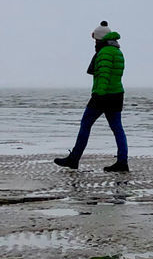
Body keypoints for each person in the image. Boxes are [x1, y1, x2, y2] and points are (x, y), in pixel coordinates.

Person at [55, 23, 129, 173]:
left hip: (103, 96)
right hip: (117, 95)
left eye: (95, 40)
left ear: (99, 39)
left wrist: (98, 95)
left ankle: (74, 158)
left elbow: (104, 75)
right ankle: (122, 161)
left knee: (86, 124)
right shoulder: (117, 51)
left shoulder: (105, 52)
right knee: (117, 129)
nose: (94, 43)